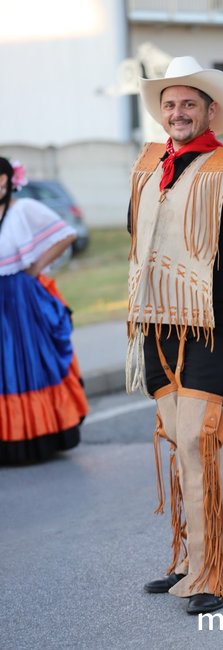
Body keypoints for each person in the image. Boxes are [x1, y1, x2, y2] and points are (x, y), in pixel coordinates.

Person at [125, 57, 223, 614]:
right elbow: (136, 229)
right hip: (156, 321)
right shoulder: (149, 164)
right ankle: (188, 559)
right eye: (170, 104)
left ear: (210, 110)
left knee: (199, 439)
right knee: (175, 436)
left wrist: (209, 289)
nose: (178, 112)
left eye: (189, 103)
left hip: (212, 323)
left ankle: (213, 571)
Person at [0, 157, 88, 464]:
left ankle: (35, 436)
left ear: (4, 180)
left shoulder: (23, 209)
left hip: (19, 298)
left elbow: (66, 234)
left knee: (25, 363)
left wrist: (35, 268)